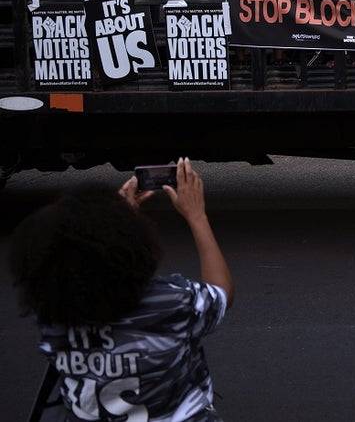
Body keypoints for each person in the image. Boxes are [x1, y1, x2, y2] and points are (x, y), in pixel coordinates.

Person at [8, 158, 233, 421]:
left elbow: (89, 267)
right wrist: (197, 216)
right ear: (136, 246)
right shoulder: (170, 303)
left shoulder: (53, 317)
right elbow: (220, 292)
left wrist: (116, 223)